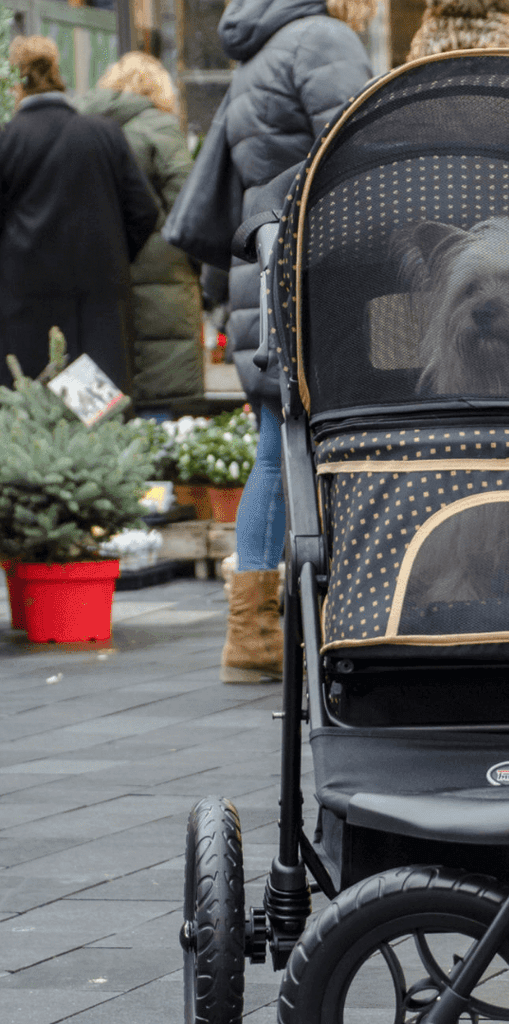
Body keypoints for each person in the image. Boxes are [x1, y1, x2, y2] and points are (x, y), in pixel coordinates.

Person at [167, 0, 374, 683]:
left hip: (264, 264)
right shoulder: (323, 39)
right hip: (316, 265)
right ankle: (333, 618)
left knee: (274, 445)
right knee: (333, 442)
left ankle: (255, 635)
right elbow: (356, 152)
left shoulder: (263, 50)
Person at [0, 36, 159, 394]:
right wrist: (114, 255)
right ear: (59, 75)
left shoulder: (8, 140)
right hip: (96, 309)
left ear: (15, 86)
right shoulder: (104, 133)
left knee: (36, 428)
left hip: (23, 311)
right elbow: (144, 211)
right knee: (94, 424)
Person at [78, 52, 204, 415]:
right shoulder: (162, 129)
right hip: (163, 278)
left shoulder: (86, 129)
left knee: (101, 399)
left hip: (99, 277)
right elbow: (189, 209)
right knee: (158, 396)